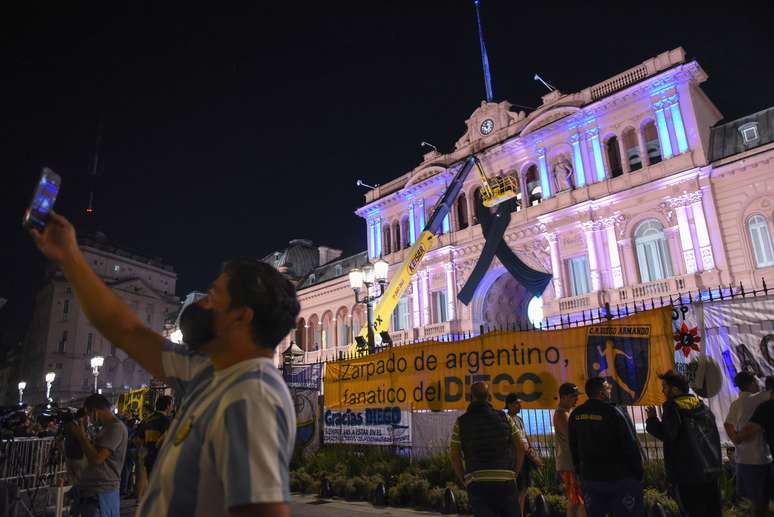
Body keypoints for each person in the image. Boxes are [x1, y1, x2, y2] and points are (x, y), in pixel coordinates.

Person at [30, 212, 299, 517]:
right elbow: (127, 330)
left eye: (212, 297)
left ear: (241, 316)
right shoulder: (207, 370)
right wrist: (70, 257)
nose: (199, 304)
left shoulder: (252, 396)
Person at [645, 370, 722, 517]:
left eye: (664, 387)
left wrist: (652, 420)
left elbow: (668, 435)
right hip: (710, 471)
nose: (662, 390)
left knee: (691, 511)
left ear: (675, 389)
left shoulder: (673, 408)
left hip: (687, 474)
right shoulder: (702, 407)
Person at [568, 376, 644, 517]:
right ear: (601, 392)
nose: (610, 390)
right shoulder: (613, 412)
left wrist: (579, 472)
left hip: (590, 477)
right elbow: (630, 444)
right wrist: (637, 473)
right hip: (618, 477)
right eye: (608, 388)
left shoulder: (576, 414)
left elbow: (573, 446)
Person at [450, 382, 526, 517]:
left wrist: (465, 479)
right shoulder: (504, 417)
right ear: (489, 396)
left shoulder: (461, 422)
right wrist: (515, 472)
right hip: (505, 480)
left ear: (471, 397)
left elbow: (455, 456)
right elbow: (521, 447)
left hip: (477, 481)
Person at [70, 394, 128, 517]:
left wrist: (82, 438)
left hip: (102, 493)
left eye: (88, 415)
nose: (89, 419)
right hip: (92, 491)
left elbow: (97, 459)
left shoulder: (116, 428)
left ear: (95, 411)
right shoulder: (106, 428)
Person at [723, 371, 771, 517]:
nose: (758, 384)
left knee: (750, 502)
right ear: (750, 384)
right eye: (756, 381)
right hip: (759, 458)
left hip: (742, 458)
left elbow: (727, 424)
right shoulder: (758, 398)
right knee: (761, 502)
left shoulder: (736, 403)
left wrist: (736, 439)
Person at [504, 393, 542, 517]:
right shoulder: (506, 420)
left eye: (520, 403)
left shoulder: (519, 419)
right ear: (509, 405)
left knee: (523, 490)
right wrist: (531, 455)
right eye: (517, 403)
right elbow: (518, 441)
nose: (520, 406)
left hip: (524, 458)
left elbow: (524, 437)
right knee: (519, 491)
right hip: (516, 459)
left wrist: (532, 451)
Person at [553, 383, 586, 517]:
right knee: (578, 501)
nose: (576, 399)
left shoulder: (566, 413)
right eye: (574, 396)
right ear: (564, 397)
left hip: (569, 463)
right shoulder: (562, 414)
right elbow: (572, 438)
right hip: (569, 464)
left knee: (575, 500)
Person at [137, 395, 173, 475]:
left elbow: (139, 440)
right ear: (167, 406)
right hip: (161, 460)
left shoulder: (147, 420)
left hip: (148, 459)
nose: (172, 408)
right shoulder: (166, 421)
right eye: (171, 406)